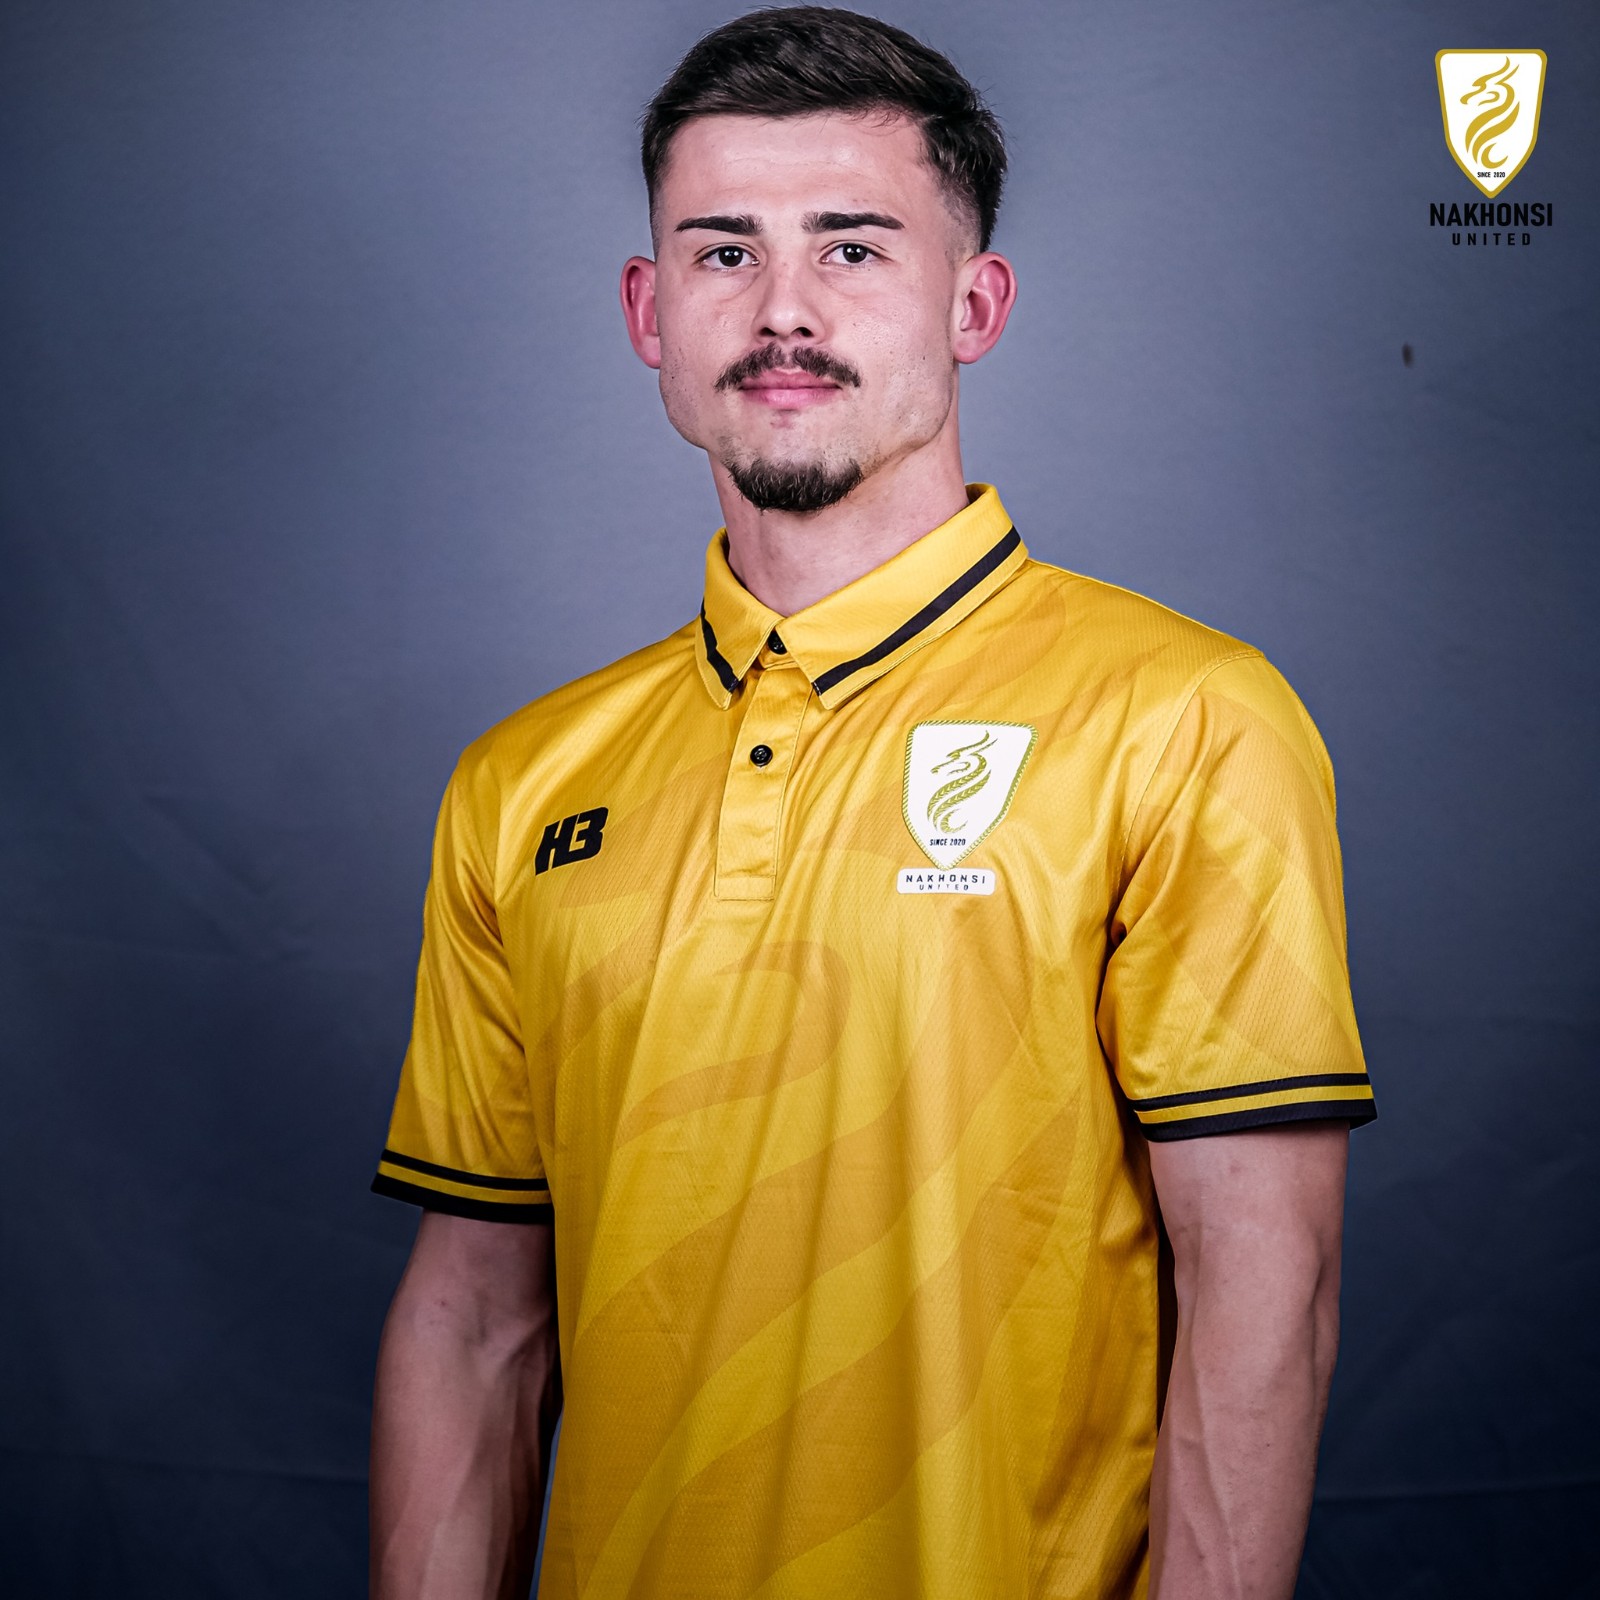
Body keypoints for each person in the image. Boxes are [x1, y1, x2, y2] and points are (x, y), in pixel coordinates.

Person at [368, 9, 1375, 1598]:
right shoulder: (524, 782)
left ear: (973, 304)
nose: (783, 309)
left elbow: (1267, 1287)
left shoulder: (1184, 718)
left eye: (851, 249)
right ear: (647, 310)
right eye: (722, 253)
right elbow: (476, 1323)